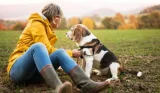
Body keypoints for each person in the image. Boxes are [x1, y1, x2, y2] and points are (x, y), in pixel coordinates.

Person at [7, 3, 111, 93]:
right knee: (38, 46)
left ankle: (86, 84)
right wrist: (71, 53)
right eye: (61, 18)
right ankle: (58, 87)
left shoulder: (47, 28)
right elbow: (46, 49)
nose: (61, 20)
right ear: (56, 17)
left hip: (35, 74)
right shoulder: (37, 24)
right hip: (18, 71)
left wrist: (66, 54)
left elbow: (47, 54)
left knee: (60, 52)